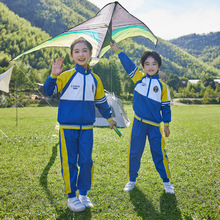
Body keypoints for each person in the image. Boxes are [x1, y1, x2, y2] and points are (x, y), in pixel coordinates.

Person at [43, 37, 117, 212]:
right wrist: (53, 75)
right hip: (67, 128)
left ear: (90, 54)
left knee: (86, 161)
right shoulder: (65, 76)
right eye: (77, 51)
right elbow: (48, 91)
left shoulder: (96, 79)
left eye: (84, 51)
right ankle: (71, 197)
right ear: (72, 55)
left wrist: (109, 118)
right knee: (69, 162)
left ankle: (83, 194)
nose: (81, 54)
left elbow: (101, 101)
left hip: (87, 129)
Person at [110, 41, 174, 194]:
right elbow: (128, 65)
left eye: (154, 64)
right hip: (138, 123)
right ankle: (131, 180)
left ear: (158, 66)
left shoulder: (163, 87)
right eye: (147, 64)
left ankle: (166, 182)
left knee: (159, 153)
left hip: (154, 127)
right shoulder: (138, 78)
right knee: (134, 152)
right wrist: (117, 50)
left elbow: (165, 107)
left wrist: (166, 124)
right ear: (143, 67)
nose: (150, 66)